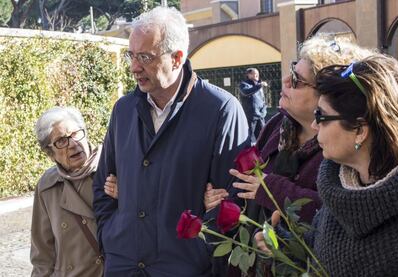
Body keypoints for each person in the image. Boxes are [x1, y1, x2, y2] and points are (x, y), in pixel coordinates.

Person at [92, 6, 249, 277]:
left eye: (144, 57)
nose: (133, 67)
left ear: (177, 58)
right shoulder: (123, 110)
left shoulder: (222, 110)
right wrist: (111, 237)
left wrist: (199, 256)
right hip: (123, 267)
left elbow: (233, 202)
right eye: (131, 55)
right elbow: (102, 188)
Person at [256, 53, 398, 276]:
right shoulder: (337, 184)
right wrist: (284, 243)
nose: (313, 124)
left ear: (359, 131)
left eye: (321, 116)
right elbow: (324, 249)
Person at [205, 35, 373, 224]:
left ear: (327, 95)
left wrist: (274, 190)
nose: (285, 80)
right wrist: (221, 199)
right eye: (292, 71)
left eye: (296, 80)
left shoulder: (343, 144)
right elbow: (247, 185)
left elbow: (343, 215)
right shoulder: (278, 124)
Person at [31, 107, 106, 276]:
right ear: (50, 154)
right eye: (61, 141)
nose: (73, 144)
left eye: (76, 134)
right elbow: (42, 254)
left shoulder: (112, 169)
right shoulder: (47, 186)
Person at [239, 68, 268, 144]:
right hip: (251, 117)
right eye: (254, 73)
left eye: (257, 73)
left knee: (263, 137)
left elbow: (263, 100)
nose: (256, 75)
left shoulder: (259, 85)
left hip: (260, 116)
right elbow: (246, 92)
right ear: (248, 75)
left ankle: (262, 154)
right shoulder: (244, 84)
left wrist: (264, 111)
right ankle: (248, 153)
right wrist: (259, 86)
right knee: (249, 138)